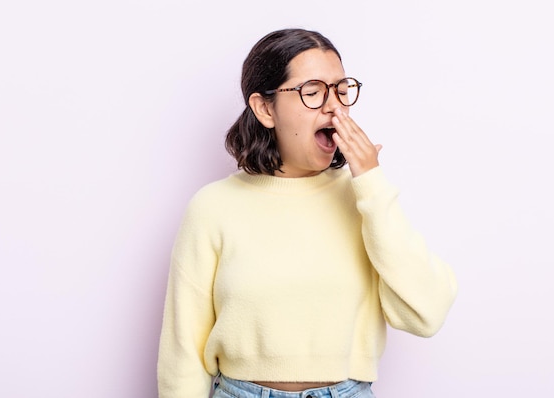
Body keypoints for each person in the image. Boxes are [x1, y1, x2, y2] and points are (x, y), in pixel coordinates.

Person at [157, 28, 458, 398]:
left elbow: (426, 314)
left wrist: (372, 184)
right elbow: (182, 353)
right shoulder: (213, 207)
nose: (334, 106)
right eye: (312, 92)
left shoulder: (366, 199)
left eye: (341, 89)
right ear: (265, 109)